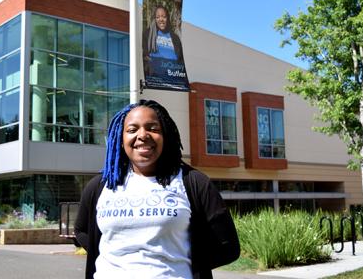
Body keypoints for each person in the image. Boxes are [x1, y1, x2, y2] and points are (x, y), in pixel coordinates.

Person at [74, 99, 240, 279]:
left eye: (153, 128)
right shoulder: (100, 185)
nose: (142, 135)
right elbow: (82, 231)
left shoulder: (193, 183)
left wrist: (183, 265)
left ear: (166, 136)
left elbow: (228, 246)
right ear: (120, 139)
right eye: (132, 130)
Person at [142, 6, 187, 79]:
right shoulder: (147, 34)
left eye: (164, 16)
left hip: (173, 77)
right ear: (155, 19)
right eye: (158, 17)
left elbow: (181, 60)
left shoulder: (175, 38)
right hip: (154, 78)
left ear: (167, 18)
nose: (161, 19)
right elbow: (145, 56)